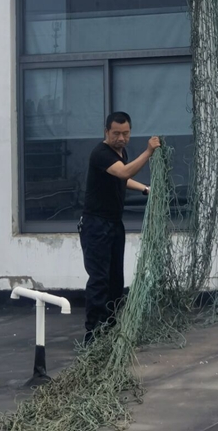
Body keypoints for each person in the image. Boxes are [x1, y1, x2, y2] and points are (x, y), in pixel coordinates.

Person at [79, 111, 160, 343]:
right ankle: (93, 335)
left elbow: (122, 178)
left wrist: (145, 189)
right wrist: (148, 152)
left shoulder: (121, 153)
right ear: (106, 132)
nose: (121, 138)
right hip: (96, 225)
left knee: (116, 280)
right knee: (99, 279)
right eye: (116, 133)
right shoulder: (101, 153)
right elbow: (123, 171)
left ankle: (110, 327)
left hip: (114, 224)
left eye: (125, 133)